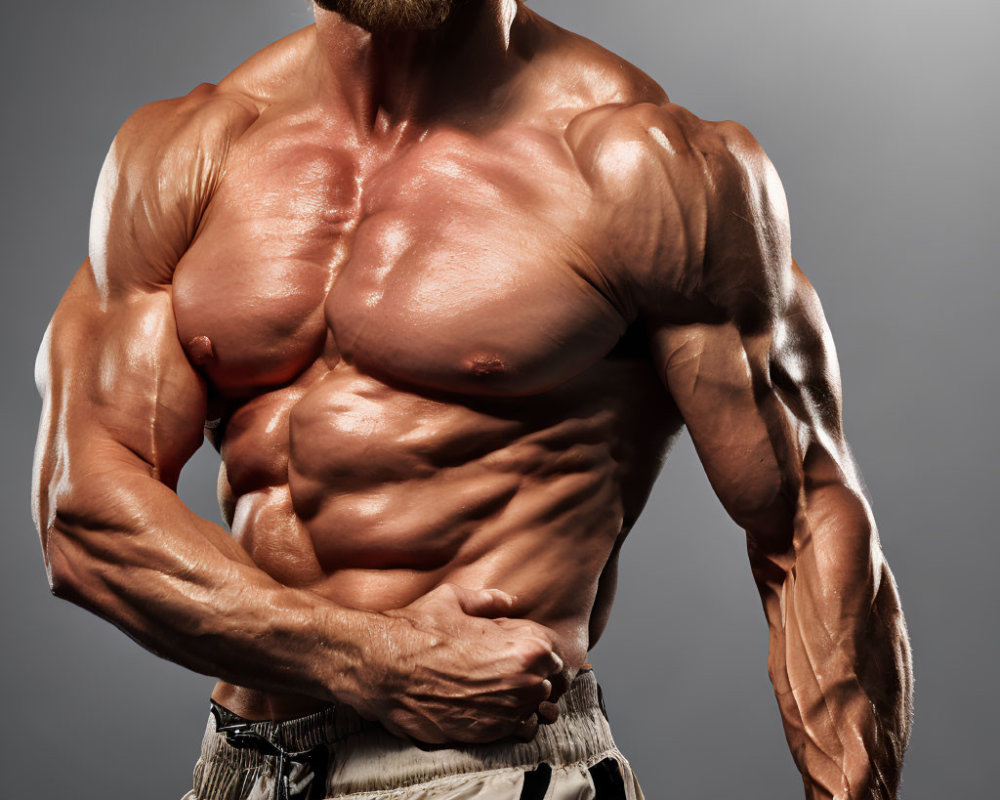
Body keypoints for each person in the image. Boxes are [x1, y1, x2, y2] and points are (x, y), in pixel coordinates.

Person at [31, 1, 913, 798]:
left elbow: (804, 521)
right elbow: (82, 517)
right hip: (241, 767)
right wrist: (373, 660)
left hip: (487, 773)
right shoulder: (188, 154)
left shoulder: (641, 168)